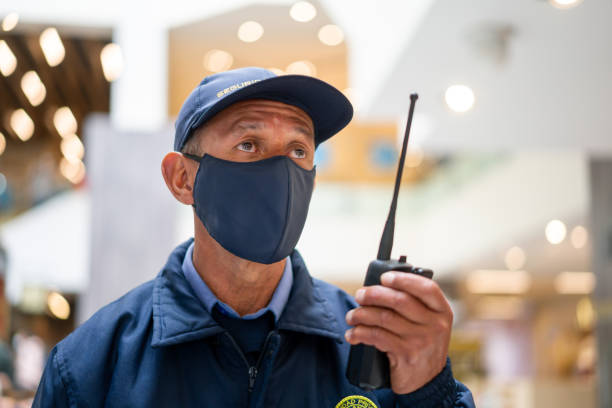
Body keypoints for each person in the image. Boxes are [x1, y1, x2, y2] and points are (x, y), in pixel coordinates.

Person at [33, 67, 475, 407]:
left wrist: (428, 391)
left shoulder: (372, 347)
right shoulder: (92, 366)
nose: (281, 172)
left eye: (298, 150)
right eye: (249, 144)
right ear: (183, 179)